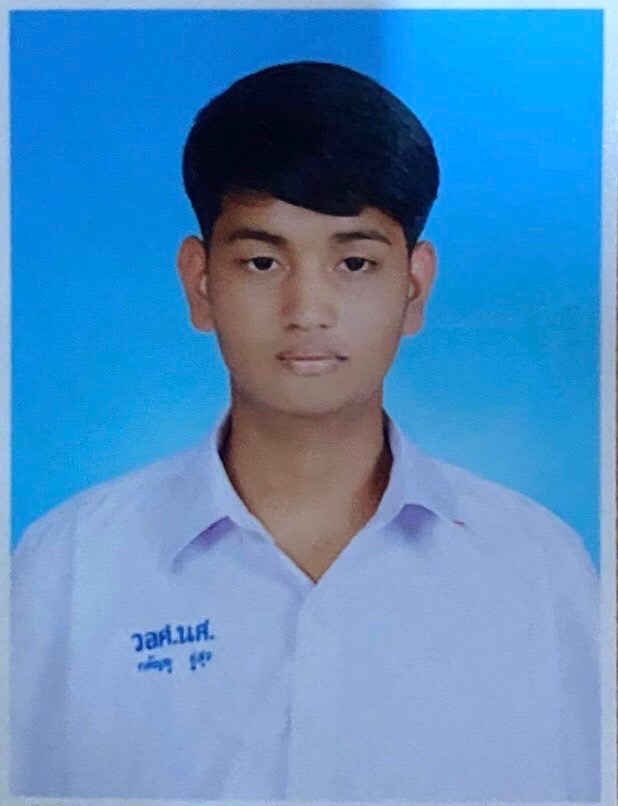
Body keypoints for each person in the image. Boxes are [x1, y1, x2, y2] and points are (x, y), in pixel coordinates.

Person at [10, 61, 599, 801]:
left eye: (354, 262)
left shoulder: (537, 567)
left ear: (415, 287)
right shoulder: (70, 568)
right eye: (262, 261)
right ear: (199, 282)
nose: (307, 309)